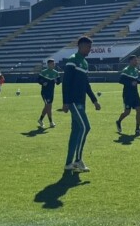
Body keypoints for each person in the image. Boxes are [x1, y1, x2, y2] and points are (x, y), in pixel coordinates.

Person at [61, 37, 101, 173]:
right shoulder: (73, 60)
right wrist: (65, 102)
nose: (90, 50)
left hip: (81, 101)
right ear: (81, 46)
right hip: (73, 101)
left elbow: (86, 84)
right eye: (88, 47)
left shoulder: (84, 62)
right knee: (86, 127)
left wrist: (94, 100)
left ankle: (68, 164)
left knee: (76, 131)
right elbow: (65, 82)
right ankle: (78, 160)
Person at [115, 55, 140, 135]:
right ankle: (118, 121)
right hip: (127, 94)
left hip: (135, 94)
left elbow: (135, 80)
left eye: (137, 60)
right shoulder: (126, 70)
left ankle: (137, 128)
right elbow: (120, 80)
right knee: (127, 112)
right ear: (130, 61)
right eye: (135, 60)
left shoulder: (136, 70)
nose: (136, 62)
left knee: (139, 110)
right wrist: (130, 83)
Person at [36, 60, 61, 129]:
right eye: (52, 64)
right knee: (48, 106)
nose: (54, 65)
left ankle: (40, 120)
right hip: (44, 92)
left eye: (54, 64)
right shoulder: (44, 72)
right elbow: (38, 80)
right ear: (48, 64)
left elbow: (59, 82)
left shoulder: (56, 73)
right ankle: (51, 122)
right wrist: (43, 82)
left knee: (48, 106)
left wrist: (57, 81)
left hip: (51, 92)